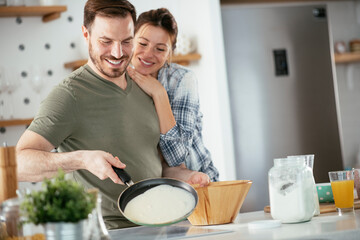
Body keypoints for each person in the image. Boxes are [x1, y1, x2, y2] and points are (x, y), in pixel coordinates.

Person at [16, 0, 208, 229]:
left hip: (159, 228)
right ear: (86, 34)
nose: (117, 53)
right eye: (106, 42)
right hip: (104, 232)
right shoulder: (69, 95)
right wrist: (81, 159)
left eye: (126, 42)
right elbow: (17, 164)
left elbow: (150, 163)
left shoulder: (146, 86)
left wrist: (182, 177)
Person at [126, 8, 219, 182]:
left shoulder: (182, 80)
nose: (148, 54)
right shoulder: (120, 80)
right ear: (130, 41)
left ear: (170, 53)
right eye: (143, 44)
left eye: (160, 49)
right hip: (153, 187)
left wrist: (159, 93)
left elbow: (176, 157)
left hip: (198, 182)